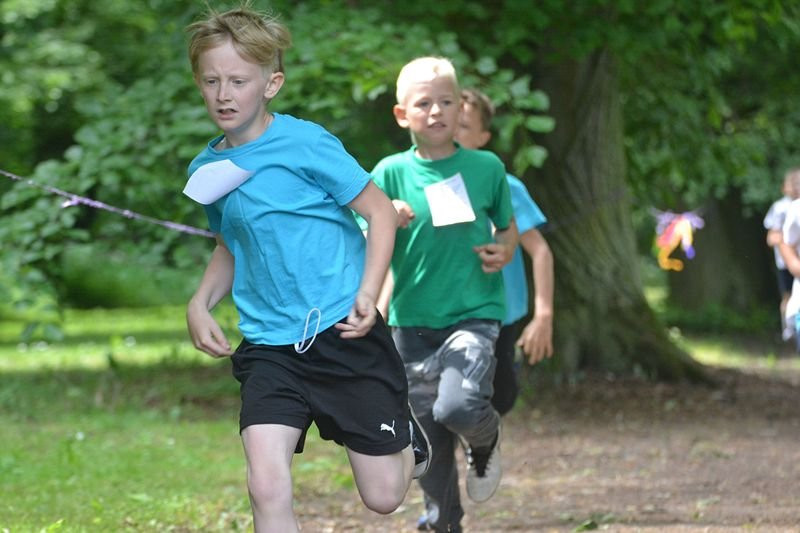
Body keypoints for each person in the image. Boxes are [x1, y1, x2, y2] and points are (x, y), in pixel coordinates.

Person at [182, 6, 429, 532]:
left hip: (343, 328)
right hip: (270, 345)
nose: (224, 94)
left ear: (271, 84)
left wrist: (369, 293)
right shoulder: (207, 170)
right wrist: (200, 302)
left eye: (239, 81)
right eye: (212, 81)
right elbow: (230, 243)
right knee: (265, 484)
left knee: (384, 497)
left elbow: (379, 212)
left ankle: (410, 437)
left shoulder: (306, 143)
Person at [368, 56, 519, 533]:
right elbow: (365, 227)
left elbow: (508, 227)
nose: (436, 112)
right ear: (402, 114)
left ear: (461, 109)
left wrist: (505, 250)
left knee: (457, 406)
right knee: (427, 436)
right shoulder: (390, 172)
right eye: (424, 103)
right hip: (411, 316)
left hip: (475, 309)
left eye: (447, 102)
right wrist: (387, 212)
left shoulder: (486, 166)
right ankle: (442, 521)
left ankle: (485, 438)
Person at [456, 87, 555, 415]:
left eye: (464, 126)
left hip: (499, 313)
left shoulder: (506, 186)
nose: (451, 129)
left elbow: (539, 251)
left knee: (498, 398)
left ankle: (483, 450)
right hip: (441, 310)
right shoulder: (418, 181)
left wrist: (543, 315)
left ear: (483, 137)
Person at [764, 171, 797, 341]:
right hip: (784, 262)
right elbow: (772, 236)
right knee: (787, 296)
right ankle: (788, 327)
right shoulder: (780, 208)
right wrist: (786, 243)